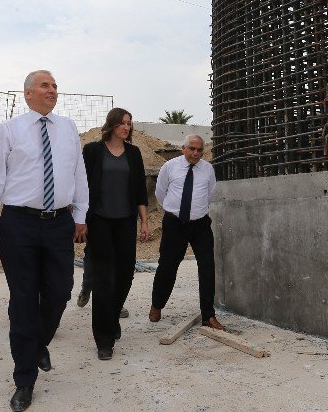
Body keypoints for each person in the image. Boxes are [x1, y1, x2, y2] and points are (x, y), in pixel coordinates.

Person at [0, 70, 88, 412]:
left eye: (55, 86)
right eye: (45, 85)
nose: (53, 90)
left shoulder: (67, 128)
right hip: (19, 222)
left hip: (59, 221)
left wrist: (81, 216)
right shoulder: (10, 130)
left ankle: (37, 344)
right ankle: (24, 379)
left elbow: (78, 173)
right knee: (23, 299)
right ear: (28, 93)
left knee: (61, 290)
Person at [81, 108, 149, 360]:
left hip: (125, 222)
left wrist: (144, 221)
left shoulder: (134, 153)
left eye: (129, 124)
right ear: (111, 125)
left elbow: (140, 189)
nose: (126, 127)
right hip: (99, 221)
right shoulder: (92, 151)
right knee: (103, 280)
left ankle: (112, 315)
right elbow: (82, 186)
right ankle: (104, 339)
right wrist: (80, 221)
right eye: (122, 123)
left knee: (125, 274)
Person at [149, 135, 224, 331]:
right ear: (183, 148)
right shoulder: (170, 167)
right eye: (192, 148)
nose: (196, 153)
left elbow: (210, 194)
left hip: (200, 225)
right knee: (167, 266)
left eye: (200, 150)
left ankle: (208, 315)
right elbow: (160, 192)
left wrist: (195, 212)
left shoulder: (208, 169)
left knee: (207, 267)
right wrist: (173, 210)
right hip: (175, 224)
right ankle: (157, 305)